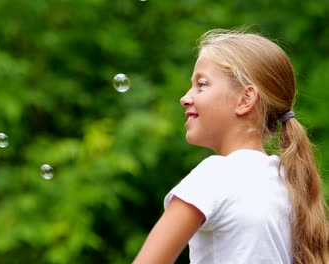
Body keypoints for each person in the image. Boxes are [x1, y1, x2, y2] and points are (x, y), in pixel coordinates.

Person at [133, 28, 329, 264]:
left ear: (245, 100)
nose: (185, 97)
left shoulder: (214, 175)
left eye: (202, 84)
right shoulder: (289, 182)